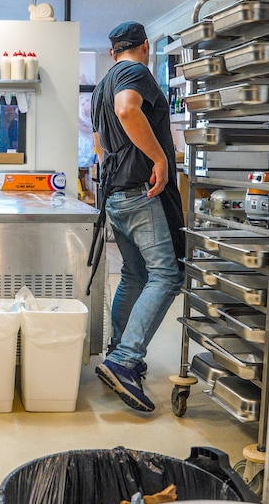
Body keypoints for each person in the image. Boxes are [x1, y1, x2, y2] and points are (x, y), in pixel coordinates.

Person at [90, 21, 185, 412]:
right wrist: (160, 157)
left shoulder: (101, 85)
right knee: (168, 274)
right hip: (143, 193)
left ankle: (119, 350)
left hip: (116, 193)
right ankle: (125, 360)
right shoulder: (136, 72)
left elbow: (98, 142)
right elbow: (127, 109)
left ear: (113, 51)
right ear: (146, 46)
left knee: (134, 274)